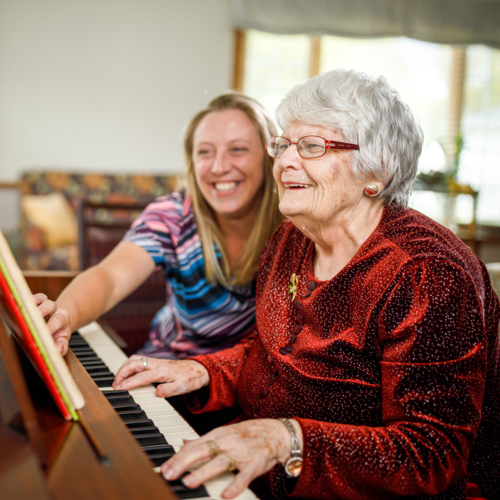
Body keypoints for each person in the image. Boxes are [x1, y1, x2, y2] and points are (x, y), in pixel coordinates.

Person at [111, 69, 500, 500]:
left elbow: (431, 456)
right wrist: (203, 369)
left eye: (312, 147)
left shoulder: (426, 274)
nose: (285, 162)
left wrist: (287, 440)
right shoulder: (291, 238)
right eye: (283, 145)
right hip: (258, 470)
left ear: (379, 169)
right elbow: (274, 356)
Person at [35, 92, 283, 360]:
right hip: (167, 375)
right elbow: (110, 277)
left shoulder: (295, 224)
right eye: (205, 152)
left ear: (269, 155)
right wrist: (64, 314)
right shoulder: (172, 216)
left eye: (238, 149)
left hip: (253, 384)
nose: (219, 166)